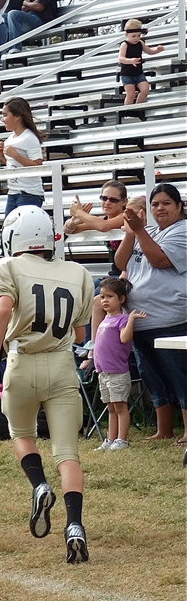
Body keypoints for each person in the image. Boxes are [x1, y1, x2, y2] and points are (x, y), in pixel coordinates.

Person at [0, 206, 95, 564]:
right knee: (68, 453)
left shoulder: (5, 267)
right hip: (62, 366)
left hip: (22, 362)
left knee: (23, 435)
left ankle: (39, 486)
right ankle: (74, 525)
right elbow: (78, 332)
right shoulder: (77, 272)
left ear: (12, 238)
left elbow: (3, 309)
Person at [114, 183, 187, 442]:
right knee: (153, 377)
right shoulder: (148, 231)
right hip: (140, 319)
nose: (160, 208)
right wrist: (131, 233)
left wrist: (139, 231)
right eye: (155, 204)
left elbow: (159, 259)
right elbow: (121, 263)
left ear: (180, 207)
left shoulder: (183, 231)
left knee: (180, 376)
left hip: (170, 318)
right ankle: (163, 430)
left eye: (167, 203)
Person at [80, 277, 143, 451]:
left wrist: (131, 319)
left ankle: (122, 440)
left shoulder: (121, 319)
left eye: (109, 296)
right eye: (102, 297)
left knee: (120, 406)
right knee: (111, 408)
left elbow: (125, 338)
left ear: (121, 299)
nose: (104, 300)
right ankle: (110, 438)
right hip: (104, 372)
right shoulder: (105, 320)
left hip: (117, 372)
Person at [0, 97, 47, 214]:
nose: (2, 119)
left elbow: (38, 166)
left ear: (17, 116)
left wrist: (15, 155)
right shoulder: (10, 138)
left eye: (5, 115)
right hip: (13, 192)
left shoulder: (29, 137)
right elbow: (13, 166)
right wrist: (1, 155)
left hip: (29, 193)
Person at [118, 19, 165, 105]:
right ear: (127, 35)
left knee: (145, 89)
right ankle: (127, 111)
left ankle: (137, 107)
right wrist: (130, 61)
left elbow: (150, 51)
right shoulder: (124, 44)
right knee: (131, 93)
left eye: (138, 35)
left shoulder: (140, 43)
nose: (136, 38)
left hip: (139, 73)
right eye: (133, 36)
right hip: (127, 74)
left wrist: (158, 50)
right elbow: (121, 58)